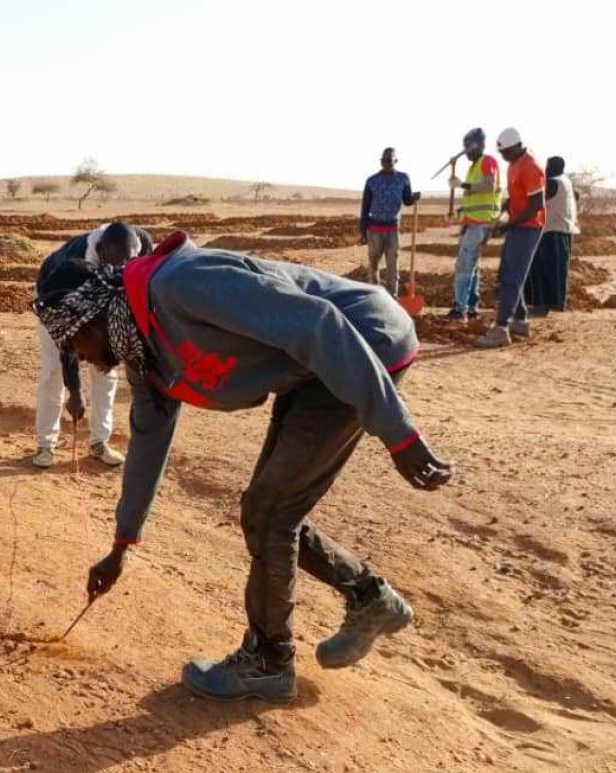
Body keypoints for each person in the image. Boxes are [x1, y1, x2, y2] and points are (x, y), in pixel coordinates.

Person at [33, 232, 453, 703]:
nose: (80, 356)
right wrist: (122, 544)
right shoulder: (141, 354)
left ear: (96, 315)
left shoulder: (181, 286)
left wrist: (398, 432)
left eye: (76, 341)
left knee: (272, 512)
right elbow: (148, 445)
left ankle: (270, 662)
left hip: (364, 342)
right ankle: (370, 599)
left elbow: (318, 323)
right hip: (311, 368)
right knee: (267, 509)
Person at [32, 222, 152, 469]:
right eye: (114, 261)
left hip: (101, 302)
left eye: (126, 261)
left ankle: (99, 442)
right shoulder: (73, 266)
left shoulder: (142, 247)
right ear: (101, 248)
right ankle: (46, 444)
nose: (120, 267)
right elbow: (67, 336)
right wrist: (75, 392)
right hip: (55, 303)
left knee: (106, 372)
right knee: (53, 373)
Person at [476, 129, 546, 348]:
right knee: (507, 273)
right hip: (518, 226)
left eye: (506, 152)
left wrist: (508, 226)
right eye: (502, 153)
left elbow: (536, 206)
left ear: (517, 146)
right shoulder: (514, 164)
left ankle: (501, 328)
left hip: (528, 228)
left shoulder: (530, 167)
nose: (504, 156)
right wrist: (502, 212)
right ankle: (520, 321)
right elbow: (515, 197)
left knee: (511, 278)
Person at [446, 128, 501, 322]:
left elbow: (488, 186)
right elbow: (473, 200)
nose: (465, 151)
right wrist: (457, 213)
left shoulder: (487, 162)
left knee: (464, 266)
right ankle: (471, 307)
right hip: (472, 223)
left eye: (467, 146)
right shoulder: (473, 167)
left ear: (476, 145)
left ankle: (459, 308)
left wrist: (461, 185)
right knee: (473, 266)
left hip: (481, 224)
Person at [359, 148, 420, 296]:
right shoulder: (372, 181)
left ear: (395, 161)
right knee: (373, 264)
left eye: (390, 161)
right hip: (374, 229)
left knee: (392, 265)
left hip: (392, 229)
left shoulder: (403, 179)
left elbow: (406, 200)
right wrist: (363, 229)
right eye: (384, 161)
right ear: (381, 162)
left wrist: (413, 198)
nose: (387, 164)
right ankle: (374, 296)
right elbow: (365, 206)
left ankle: (392, 296)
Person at [524, 156, 579, 316]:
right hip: (564, 231)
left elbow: (535, 198)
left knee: (545, 270)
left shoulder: (553, 183)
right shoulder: (566, 181)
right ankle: (554, 303)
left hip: (552, 232)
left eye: (547, 166)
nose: (545, 169)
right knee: (557, 270)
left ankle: (543, 306)